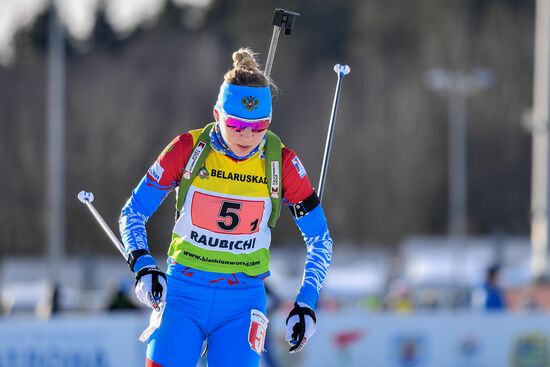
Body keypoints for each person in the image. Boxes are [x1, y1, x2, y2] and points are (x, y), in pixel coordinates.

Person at [119, 47, 333, 367]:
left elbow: (321, 240)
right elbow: (133, 211)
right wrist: (144, 266)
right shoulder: (188, 149)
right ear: (217, 114)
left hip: (242, 303)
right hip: (183, 296)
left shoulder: (282, 163)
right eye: (236, 124)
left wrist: (306, 303)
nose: (247, 136)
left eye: (259, 126)